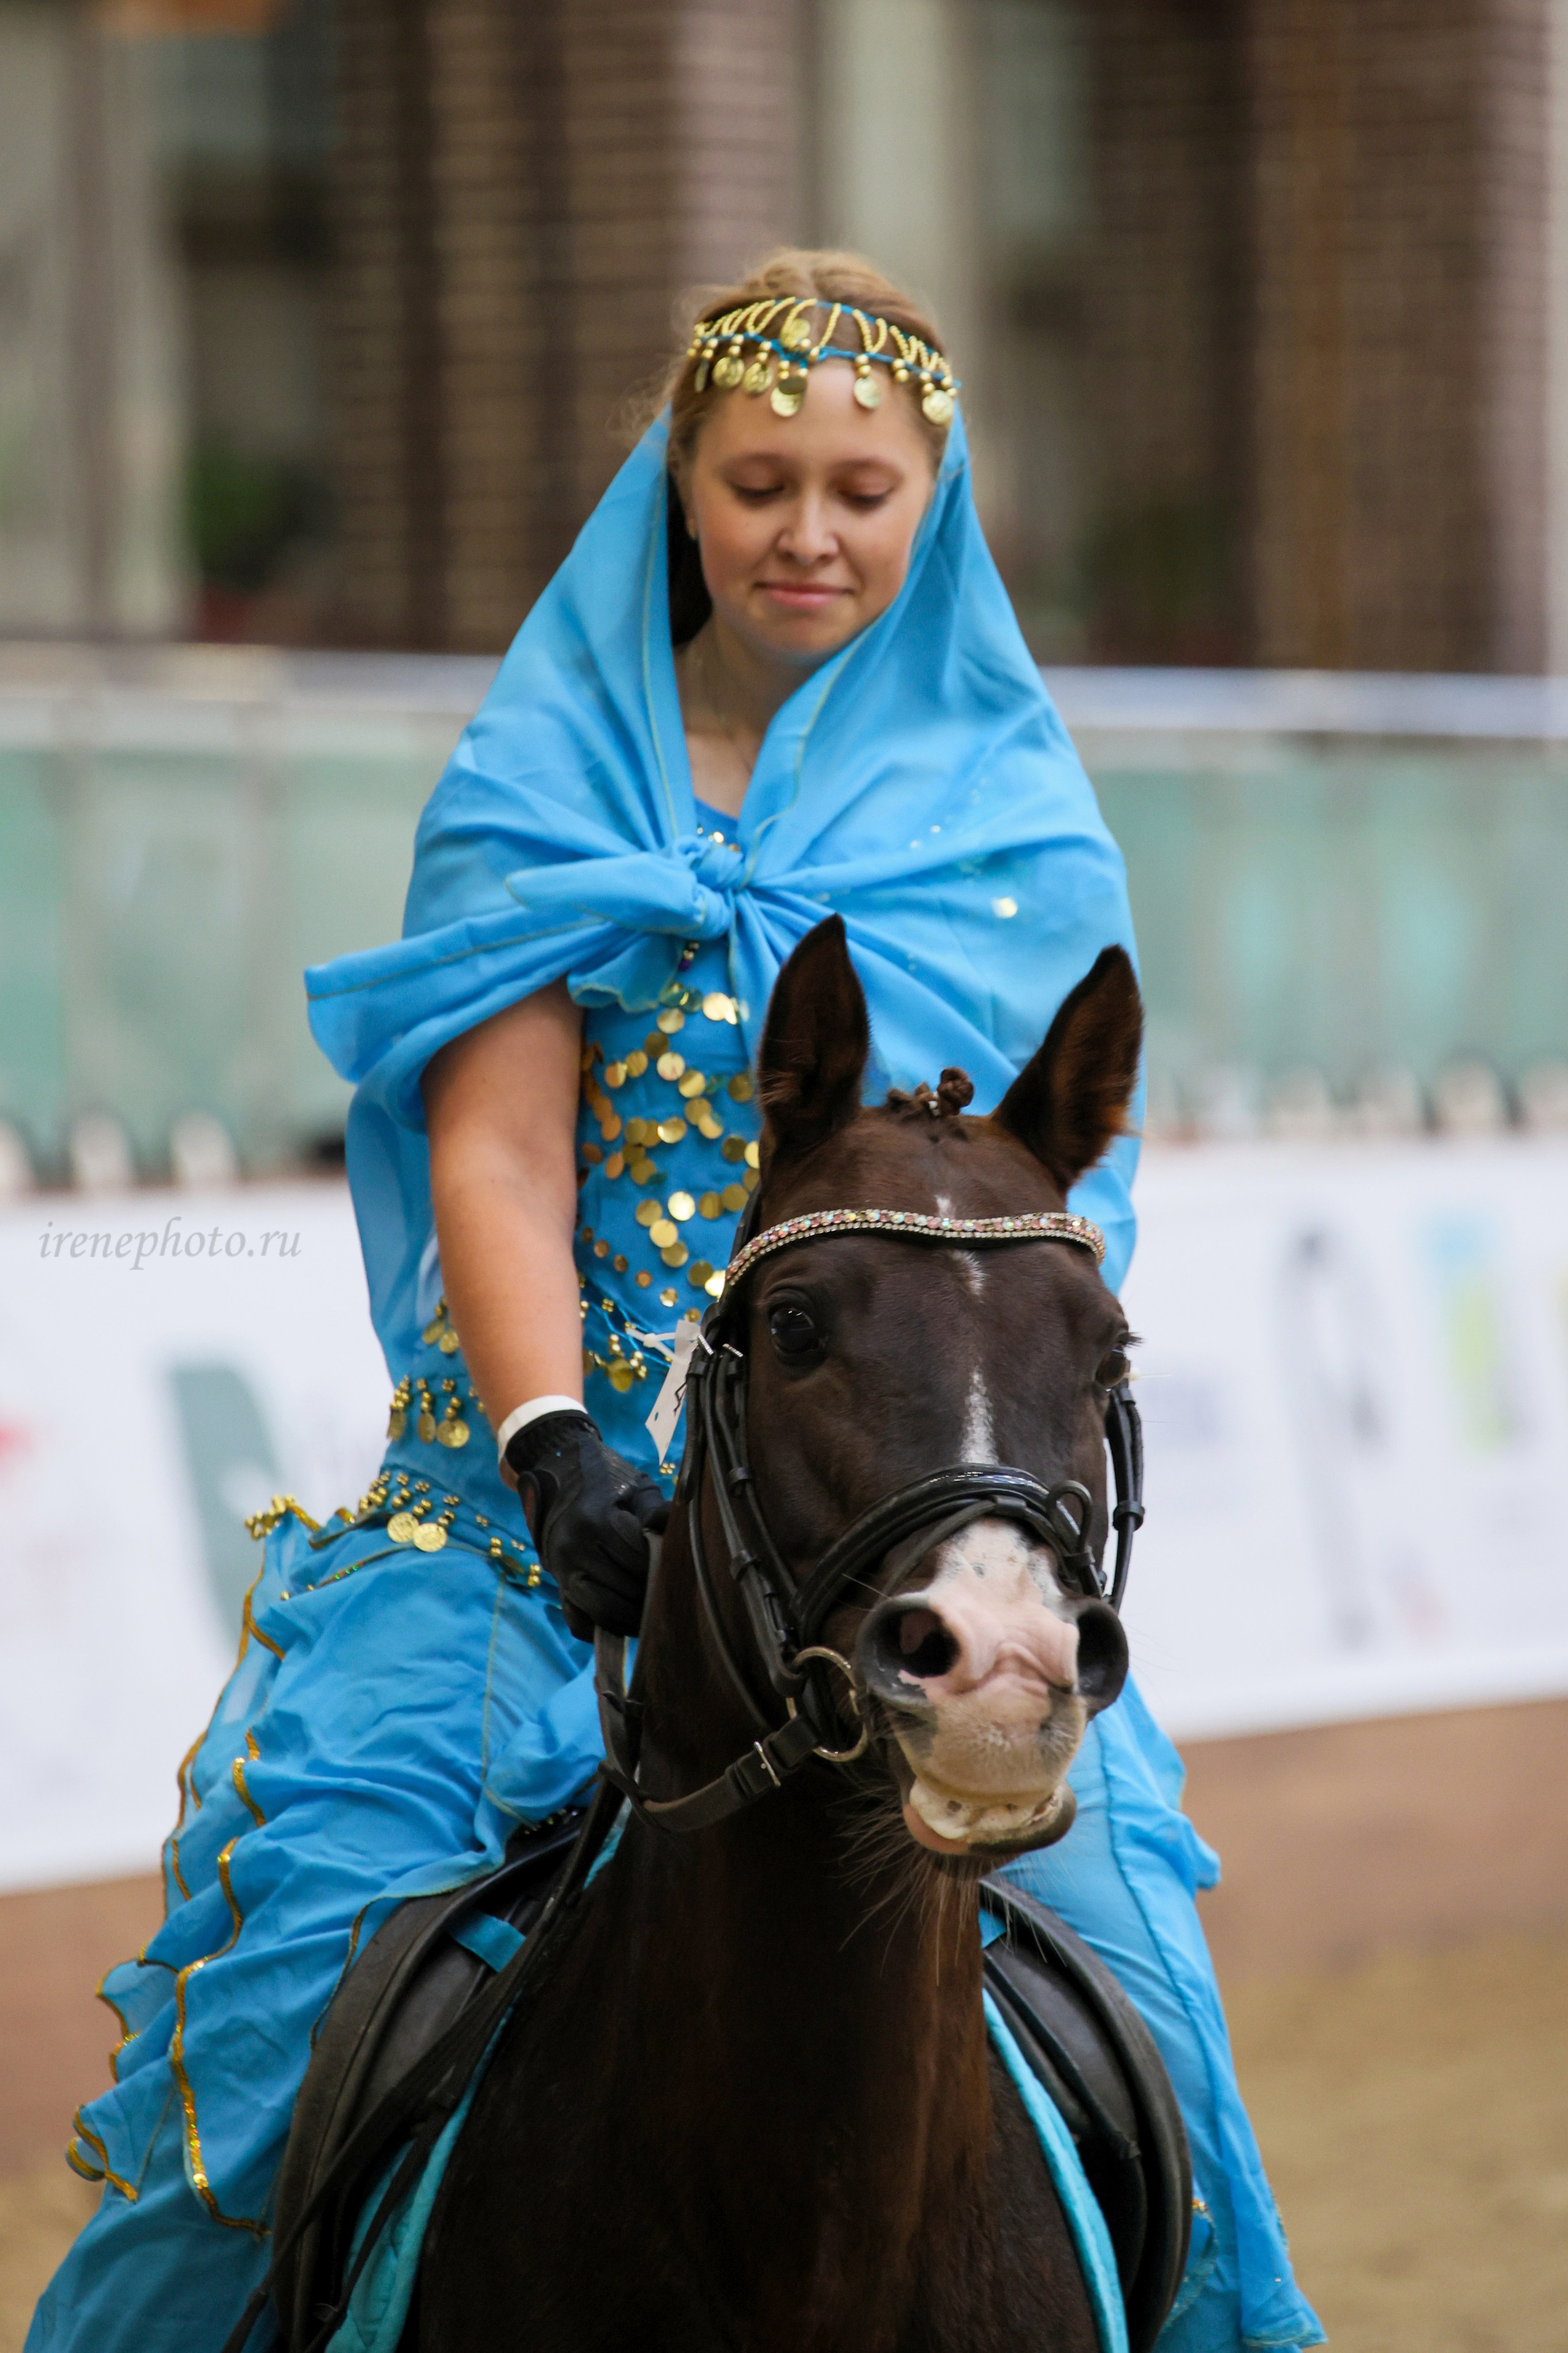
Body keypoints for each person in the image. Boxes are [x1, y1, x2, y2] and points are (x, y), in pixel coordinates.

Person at [29, 249, 1321, 2353]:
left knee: (1160, 2047)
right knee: (270, 2068)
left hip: (885, 1533)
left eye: (860, 486)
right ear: (679, 493)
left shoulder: (1021, 836)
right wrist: (558, 1462)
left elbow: (1032, 1228)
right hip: (533, 1542)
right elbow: (506, 1158)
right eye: (758, 480)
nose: (808, 529)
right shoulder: (543, 790)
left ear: (938, 502)